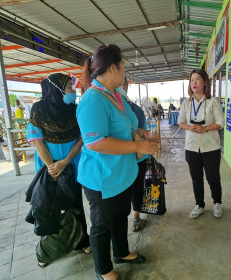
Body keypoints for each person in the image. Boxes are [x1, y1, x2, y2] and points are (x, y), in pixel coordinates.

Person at [77, 44, 157, 280]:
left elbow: (125, 126)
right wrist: (137, 146)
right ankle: (103, 269)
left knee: (120, 215)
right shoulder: (92, 99)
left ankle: (121, 252)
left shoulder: (114, 95)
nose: (124, 73)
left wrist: (139, 134)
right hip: (101, 177)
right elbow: (96, 142)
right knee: (102, 225)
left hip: (121, 173)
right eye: (123, 67)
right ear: (113, 68)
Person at [26, 73, 91, 267]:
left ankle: (81, 241)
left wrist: (65, 162)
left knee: (76, 205)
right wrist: (52, 166)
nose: (72, 90)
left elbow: (82, 138)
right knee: (49, 210)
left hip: (71, 166)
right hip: (49, 170)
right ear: (57, 89)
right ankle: (46, 251)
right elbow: (37, 142)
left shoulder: (74, 109)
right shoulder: (38, 109)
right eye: (69, 87)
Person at [178, 69, 225, 219]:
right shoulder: (186, 103)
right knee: (196, 178)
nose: (194, 83)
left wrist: (205, 128)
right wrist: (189, 127)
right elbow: (181, 122)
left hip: (211, 147)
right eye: (192, 80)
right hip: (191, 147)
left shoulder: (213, 101)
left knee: (213, 178)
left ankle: (217, 202)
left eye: (198, 79)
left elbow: (220, 122)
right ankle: (200, 204)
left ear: (205, 82)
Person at [118, 77, 148, 232]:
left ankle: (135, 214)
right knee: (122, 190)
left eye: (124, 83)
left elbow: (143, 133)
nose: (121, 86)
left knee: (137, 187)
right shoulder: (108, 105)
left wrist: (143, 146)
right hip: (119, 157)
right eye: (118, 82)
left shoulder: (135, 109)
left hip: (137, 156)